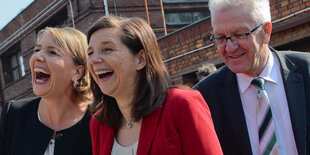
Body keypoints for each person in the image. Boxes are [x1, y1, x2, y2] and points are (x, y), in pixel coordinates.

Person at [87, 15, 223, 155]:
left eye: (107, 49)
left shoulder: (182, 104)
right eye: (90, 53)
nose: (94, 60)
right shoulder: (98, 124)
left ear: (140, 59)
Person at [194, 0, 310, 155]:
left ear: (266, 32)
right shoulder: (204, 98)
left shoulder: (307, 70)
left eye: (240, 35)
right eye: (220, 37)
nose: (230, 47)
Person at [0, 27, 93, 155]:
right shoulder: (13, 114)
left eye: (52, 52)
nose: (37, 56)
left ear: (77, 72)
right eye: (37, 50)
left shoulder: (99, 122)